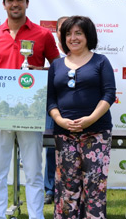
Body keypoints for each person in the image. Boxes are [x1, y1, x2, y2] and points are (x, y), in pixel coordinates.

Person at [0, 0, 60, 219]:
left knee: (34, 169)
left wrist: (39, 70)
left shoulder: (43, 34)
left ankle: (36, 215)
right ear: (4, 4)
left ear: (27, 2)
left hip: (31, 110)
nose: (15, 3)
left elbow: (57, 68)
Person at [47, 15, 116, 218]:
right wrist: (59, 120)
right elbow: (50, 100)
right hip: (64, 133)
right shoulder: (56, 65)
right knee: (67, 186)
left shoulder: (101, 61)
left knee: (94, 186)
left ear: (88, 36)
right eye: (68, 34)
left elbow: (109, 94)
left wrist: (90, 119)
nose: (73, 38)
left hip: (96, 132)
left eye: (78, 33)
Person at [44, 16, 69, 205]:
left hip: (73, 106)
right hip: (52, 106)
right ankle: (50, 189)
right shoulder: (49, 47)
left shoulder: (81, 48)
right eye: (63, 28)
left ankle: (69, 189)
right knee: (51, 148)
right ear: (57, 31)